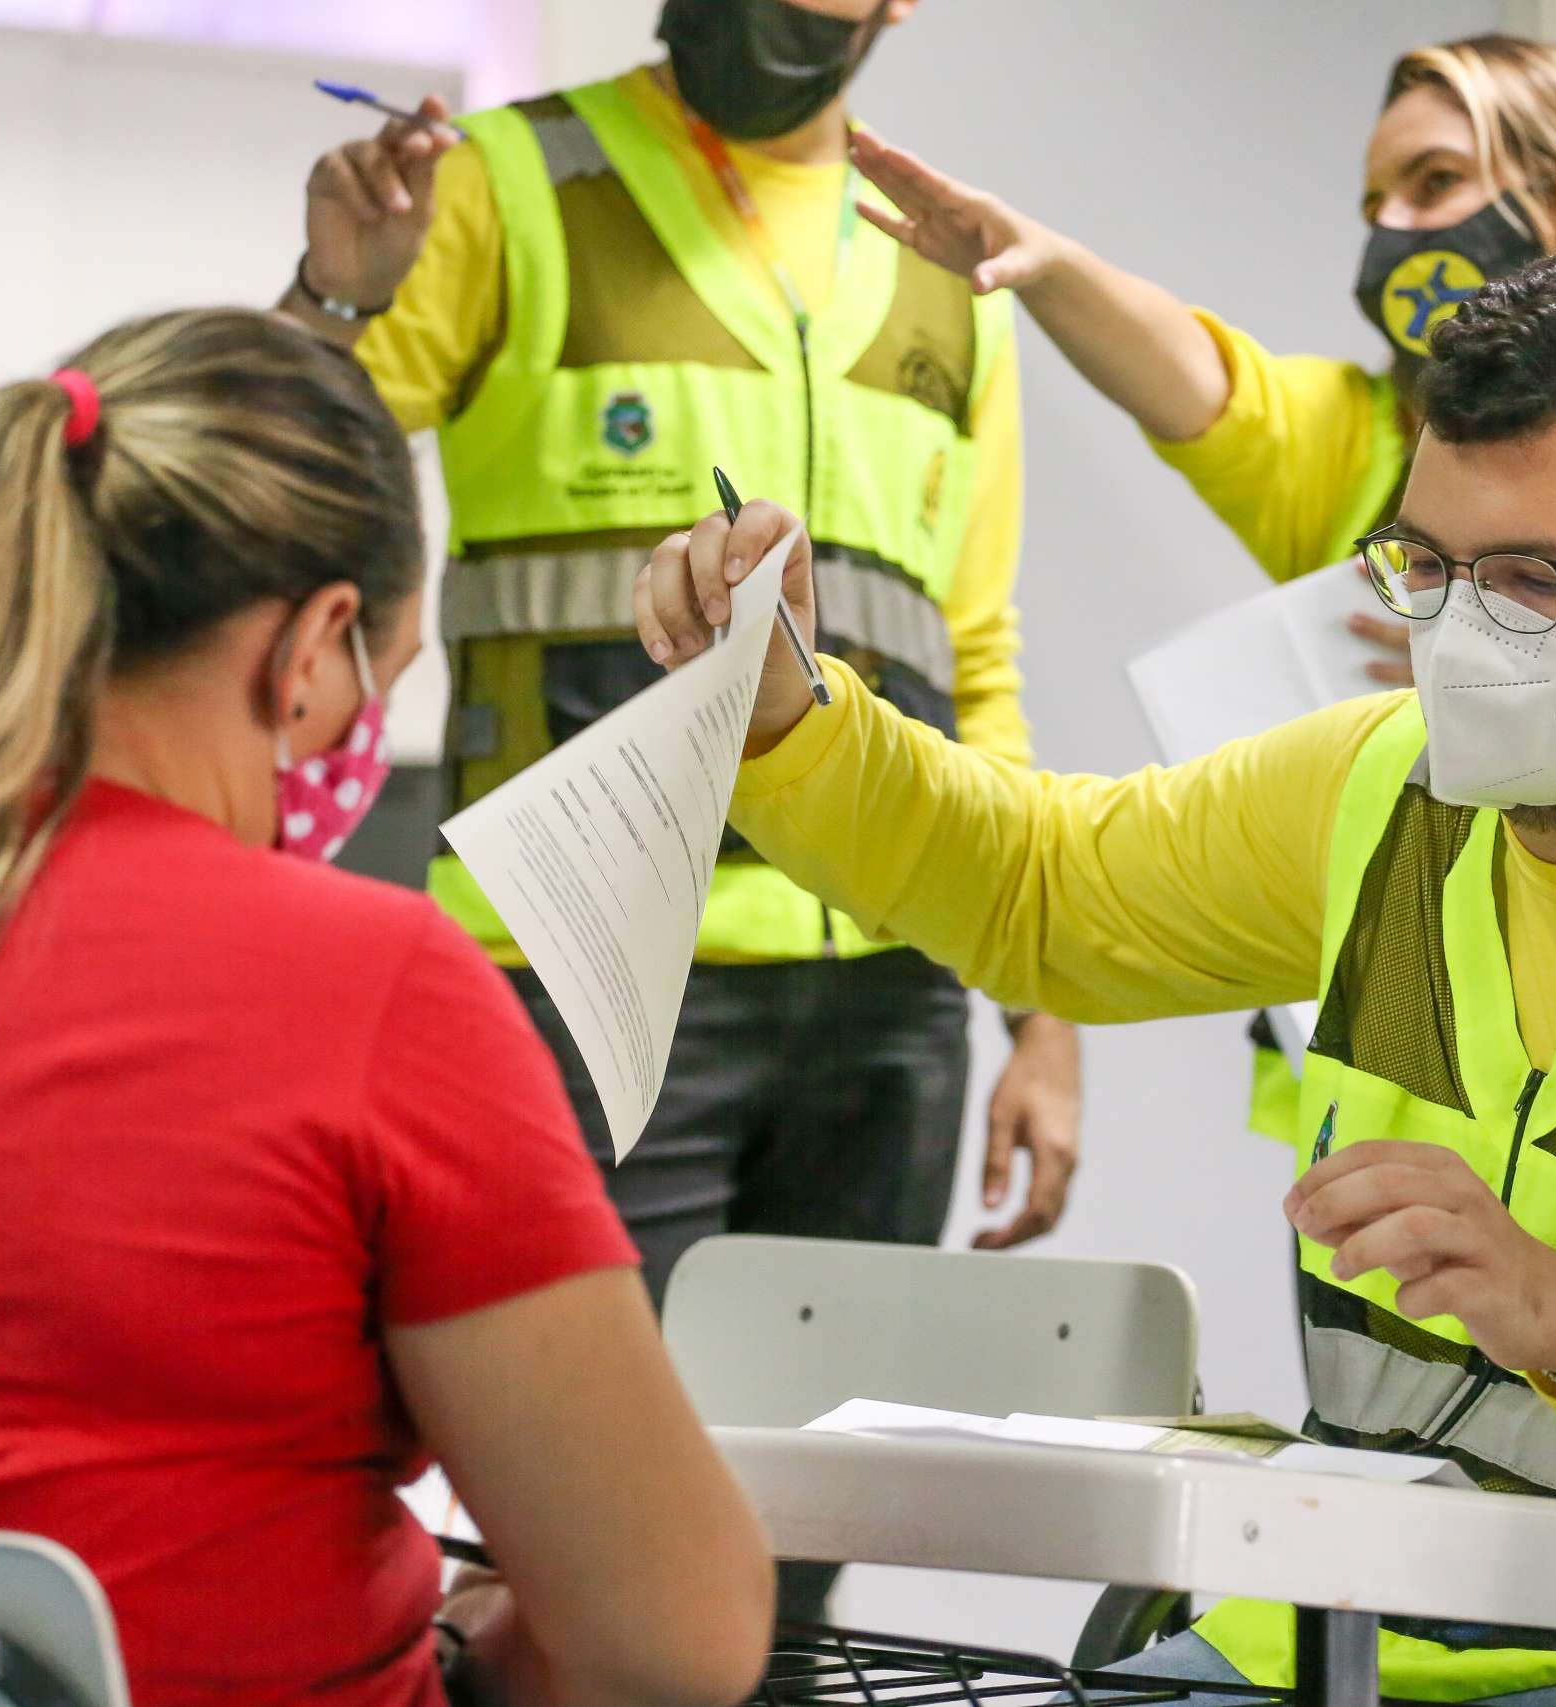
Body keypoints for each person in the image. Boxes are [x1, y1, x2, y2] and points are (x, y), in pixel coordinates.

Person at [638, 237, 1556, 1705]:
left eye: (1535, 579)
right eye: (1429, 566)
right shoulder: (1386, 794)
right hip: (1374, 1634)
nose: (1461, 638)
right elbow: (1046, 891)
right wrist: (789, 719)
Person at [0, 309, 774, 1707]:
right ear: (311, 648)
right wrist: (476, 1643)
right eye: (378, 676)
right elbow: (675, 1641)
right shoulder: (376, 986)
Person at [851, 33, 1556, 1144]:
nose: (1393, 226)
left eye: (1435, 181)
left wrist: (1546, 671)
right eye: (1429, 570)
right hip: (1389, 1072)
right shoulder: (1368, 441)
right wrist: (1042, 266)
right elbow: (1198, 382)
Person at [282, 0, 1084, 1327]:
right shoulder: (506, 182)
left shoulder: (945, 268)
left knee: (824, 1485)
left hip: (890, 993)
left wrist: (1042, 1014)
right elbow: (273, 462)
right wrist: (325, 299)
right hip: (578, 965)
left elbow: (976, 659)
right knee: (584, 1484)